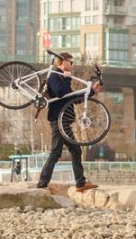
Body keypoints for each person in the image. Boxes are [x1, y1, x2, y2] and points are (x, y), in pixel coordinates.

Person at [34, 52, 99, 193]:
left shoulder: (62, 77)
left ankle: (80, 182)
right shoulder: (55, 76)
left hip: (64, 120)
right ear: (62, 62)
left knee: (75, 150)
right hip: (58, 119)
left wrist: (92, 92)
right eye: (70, 62)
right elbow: (60, 92)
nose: (72, 65)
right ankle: (42, 184)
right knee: (56, 152)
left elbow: (72, 98)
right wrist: (67, 78)